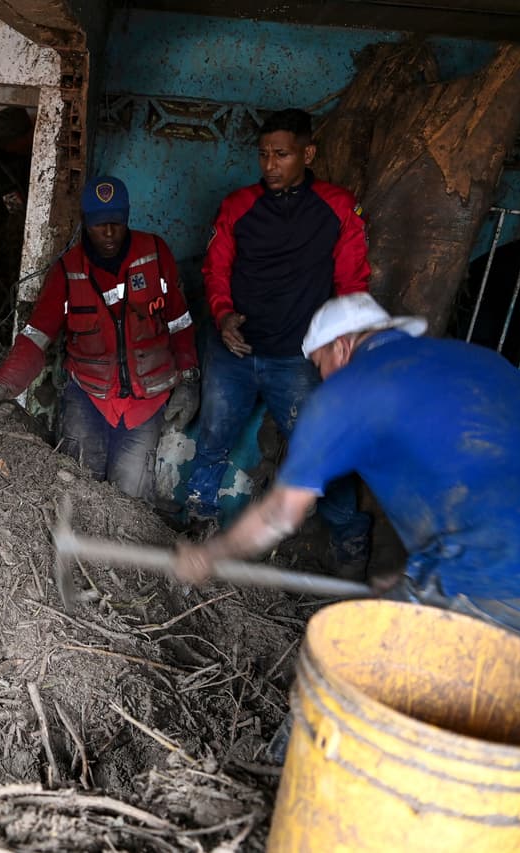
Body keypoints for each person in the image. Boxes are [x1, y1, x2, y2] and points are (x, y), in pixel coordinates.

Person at [175, 293, 520, 659]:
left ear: (341, 346)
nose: (322, 377)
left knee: (347, 687)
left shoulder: (349, 391)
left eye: (319, 365)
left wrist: (209, 555)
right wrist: (413, 578)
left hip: (500, 584)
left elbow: (280, 515)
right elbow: (489, 486)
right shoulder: (480, 362)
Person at [184, 108, 371, 575]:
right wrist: (223, 315)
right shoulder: (238, 205)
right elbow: (215, 269)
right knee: (213, 435)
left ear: (307, 154)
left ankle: (349, 533)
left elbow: (352, 282)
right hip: (234, 351)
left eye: (282, 155)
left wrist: (343, 346)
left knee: (320, 448)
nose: (270, 165)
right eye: (264, 155)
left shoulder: (338, 207)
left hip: (297, 358)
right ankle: (195, 519)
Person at [0, 176, 199, 501]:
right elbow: (37, 336)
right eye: (98, 225)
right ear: (84, 223)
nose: (108, 233)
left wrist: (189, 378)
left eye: (115, 223)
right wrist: (2, 384)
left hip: (146, 400)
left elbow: (180, 322)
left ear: (127, 218)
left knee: (130, 499)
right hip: (89, 397)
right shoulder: (68, 271)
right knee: (76, 490)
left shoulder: (155, 254)